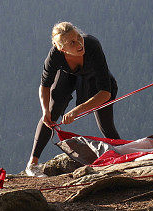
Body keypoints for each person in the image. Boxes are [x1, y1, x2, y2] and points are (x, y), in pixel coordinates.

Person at [25, 22, 120, 177]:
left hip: (95, 81)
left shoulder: (92, 45)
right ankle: (33, 164)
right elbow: (44, 86)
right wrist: (45, 110)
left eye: (78, 37)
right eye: (72, 43)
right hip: (67, 76)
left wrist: (77, 110)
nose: (79, 43)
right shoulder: (54, 56)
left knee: (106, 124)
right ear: (62, 48)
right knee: (51, 114)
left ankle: (122, 156)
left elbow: (105, 93)